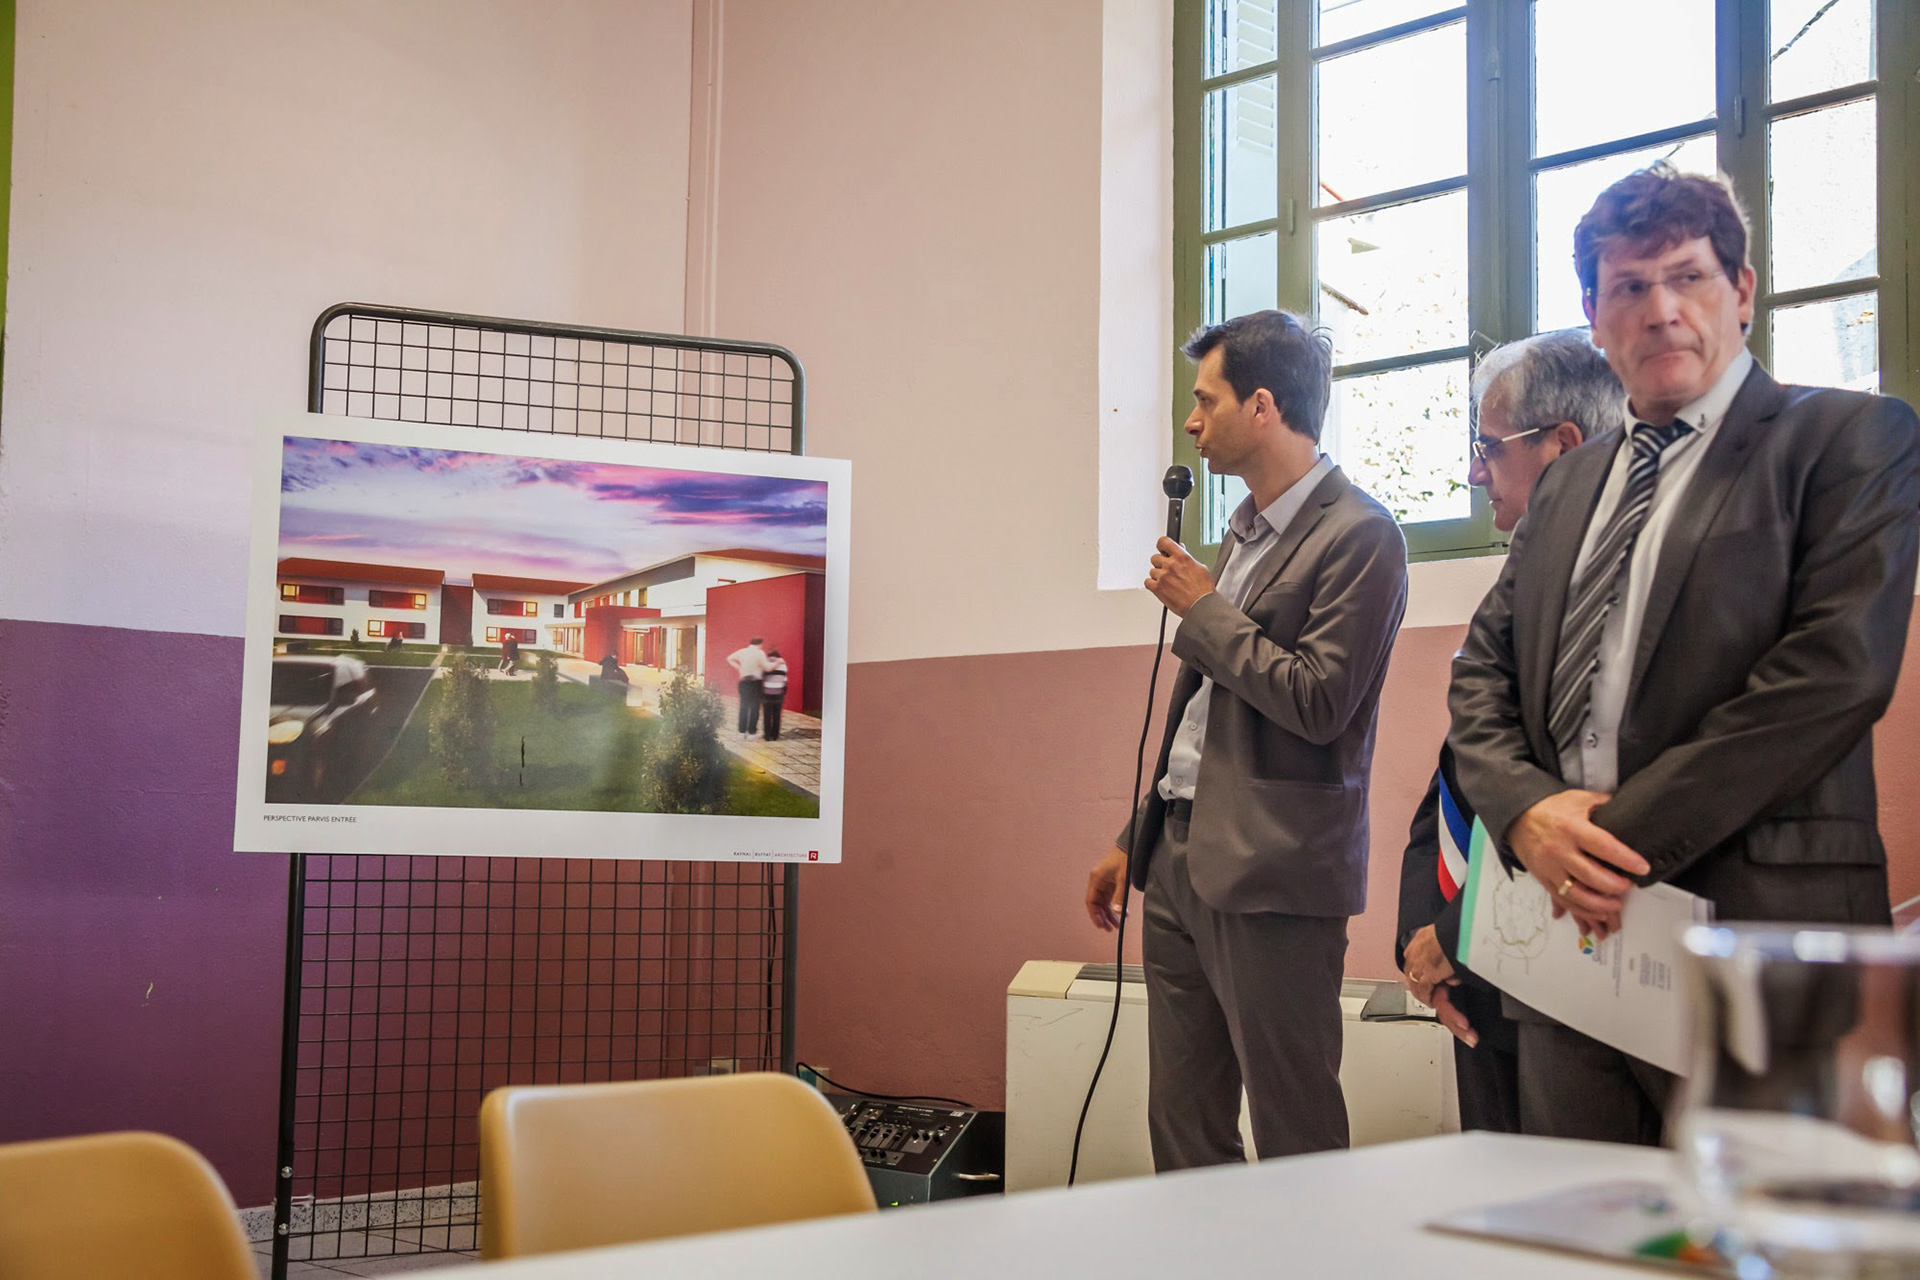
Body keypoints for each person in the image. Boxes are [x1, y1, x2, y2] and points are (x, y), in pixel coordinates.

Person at [1449, 163, 1920, 1145]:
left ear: (1741, 290)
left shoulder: (1849, 439)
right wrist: (1527, 816)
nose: (1661, 309)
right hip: (1567, 960)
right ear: (1595, 316)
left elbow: (1832, 674)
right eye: (1630, 286)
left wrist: (1600, 848)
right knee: (1576, 1214)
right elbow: (1483, 671)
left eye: (1689, 277)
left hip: (1759, 937)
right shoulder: (1568, 481)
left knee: (1765, 1220)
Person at [1083, 309, 1408, 1169]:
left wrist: (1203, 608)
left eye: (1206, 400)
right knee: (1183, 1124)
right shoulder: (1242, 534)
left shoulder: (1362, 534)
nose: (1192, 423)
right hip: (1179, 858)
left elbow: (1318, 701)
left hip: (1275, 870)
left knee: (1296, 1129)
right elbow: (1202, 714)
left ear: (1262, 407)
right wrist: (1137, 835)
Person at [1395, 328, 1623, 1135]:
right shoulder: (1518, 581)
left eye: (1490, 447)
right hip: (1473, 973)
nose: (1473, 472)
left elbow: (1574, 802)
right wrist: (1420, 937)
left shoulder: (1621, 584)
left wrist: (1454, 936)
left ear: (1563, 445)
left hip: (1561, 966)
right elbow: (1457, 777)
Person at [726, 637, 768, 735]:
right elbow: (765, 666)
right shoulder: (760, 653)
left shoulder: (742, 651)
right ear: (759, 644)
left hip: (744, 682)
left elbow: (729, 658)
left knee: (743, 706)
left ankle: (741, 731)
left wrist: (739, 667)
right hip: (756, 682)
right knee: (755, 707)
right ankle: (752, 731)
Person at [759, 649, 789, 741]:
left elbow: (760, 678)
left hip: (766, 692)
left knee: (767, 715)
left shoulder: (764, 664)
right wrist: (783, 691)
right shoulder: (783, 665)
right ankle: (775, 735)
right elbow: (784, 680)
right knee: (777, 715)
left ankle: (767, 736)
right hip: (778, 693)